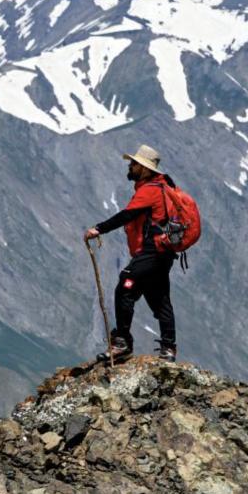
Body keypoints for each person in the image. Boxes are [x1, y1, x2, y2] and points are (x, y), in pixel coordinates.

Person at [83, 144, 179, 363]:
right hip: (164, 253)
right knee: (159, 298)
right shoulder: (164, 188)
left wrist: (98, 229)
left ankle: (122, 343)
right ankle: (168, 348)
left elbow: (127, 215)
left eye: (134, 164)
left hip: (151, 251)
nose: (131, 166)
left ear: (144, 169)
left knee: (126, 285)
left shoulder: (150, 191)